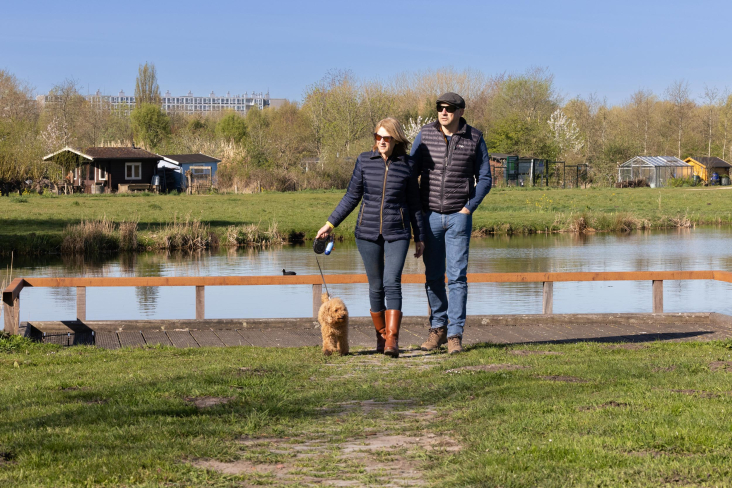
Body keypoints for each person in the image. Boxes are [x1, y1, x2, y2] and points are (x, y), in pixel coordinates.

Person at [316, 118, 425, 358]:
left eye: (387, 138)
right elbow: (351, 196)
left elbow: (415, 204)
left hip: (398, 232)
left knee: (392, 282)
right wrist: (329, 223)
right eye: (378, 137)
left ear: (396, 140)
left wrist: (420, 236)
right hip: (367, 233)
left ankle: (392, 342)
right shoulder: (365, 161)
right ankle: (381, 337)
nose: (382, 142)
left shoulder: (407, 164)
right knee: (376, 286)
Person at [411, 92, 492, 354]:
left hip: (459, 216)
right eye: (439, 108)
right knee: (433, 276)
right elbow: (411, 173)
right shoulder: (425, 135)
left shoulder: (475, 138)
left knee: (457, 277)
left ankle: (455, 335)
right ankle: (437, 329)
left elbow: (486, 177)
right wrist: (417, 212)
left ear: (460, 111)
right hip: (430, 215)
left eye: (449, 108)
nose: (443, 112)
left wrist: (469, 208)